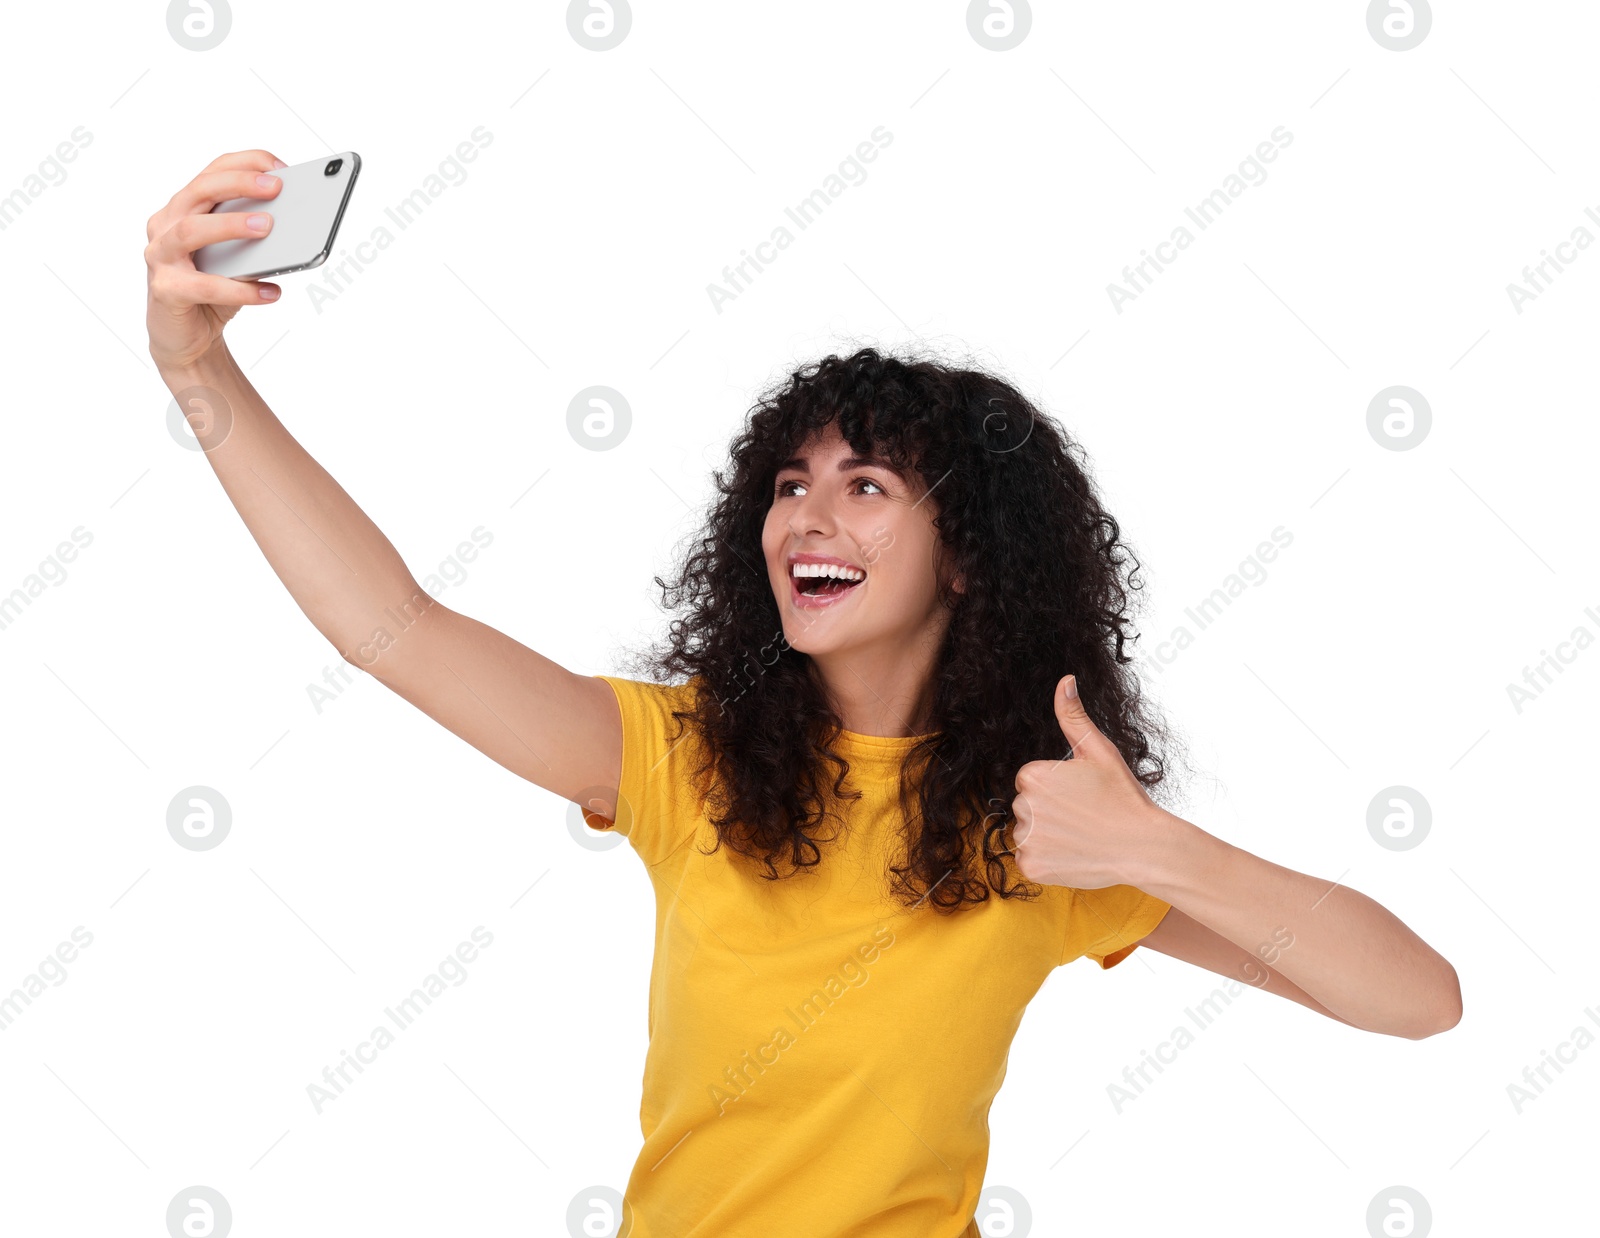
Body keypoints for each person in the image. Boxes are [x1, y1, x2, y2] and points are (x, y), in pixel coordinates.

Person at [145, 149, 1463, 1238]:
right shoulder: (683, 760)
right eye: (789, 483)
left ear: (968, 555)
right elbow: (394, 626)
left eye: (866, 484)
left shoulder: (1048, 829)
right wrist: (202, 376)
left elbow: (1416, 998)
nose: (805, 516)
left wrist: (1155, 846)